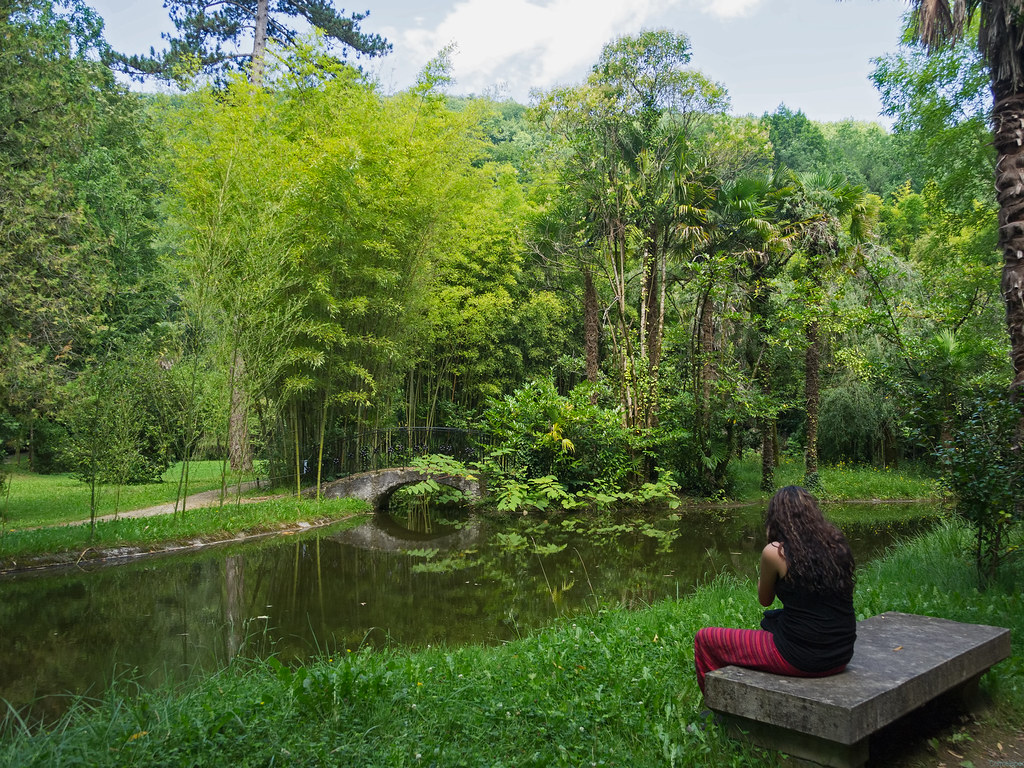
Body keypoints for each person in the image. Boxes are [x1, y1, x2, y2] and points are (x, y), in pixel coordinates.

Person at [694, 485, 856, 695]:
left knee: (705, 638)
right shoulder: (837, 545)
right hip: (841, 654)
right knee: (771, 621)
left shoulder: (775, 552)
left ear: (776, 518)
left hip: (802, 658)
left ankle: (717, 710)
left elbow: (765, 599)